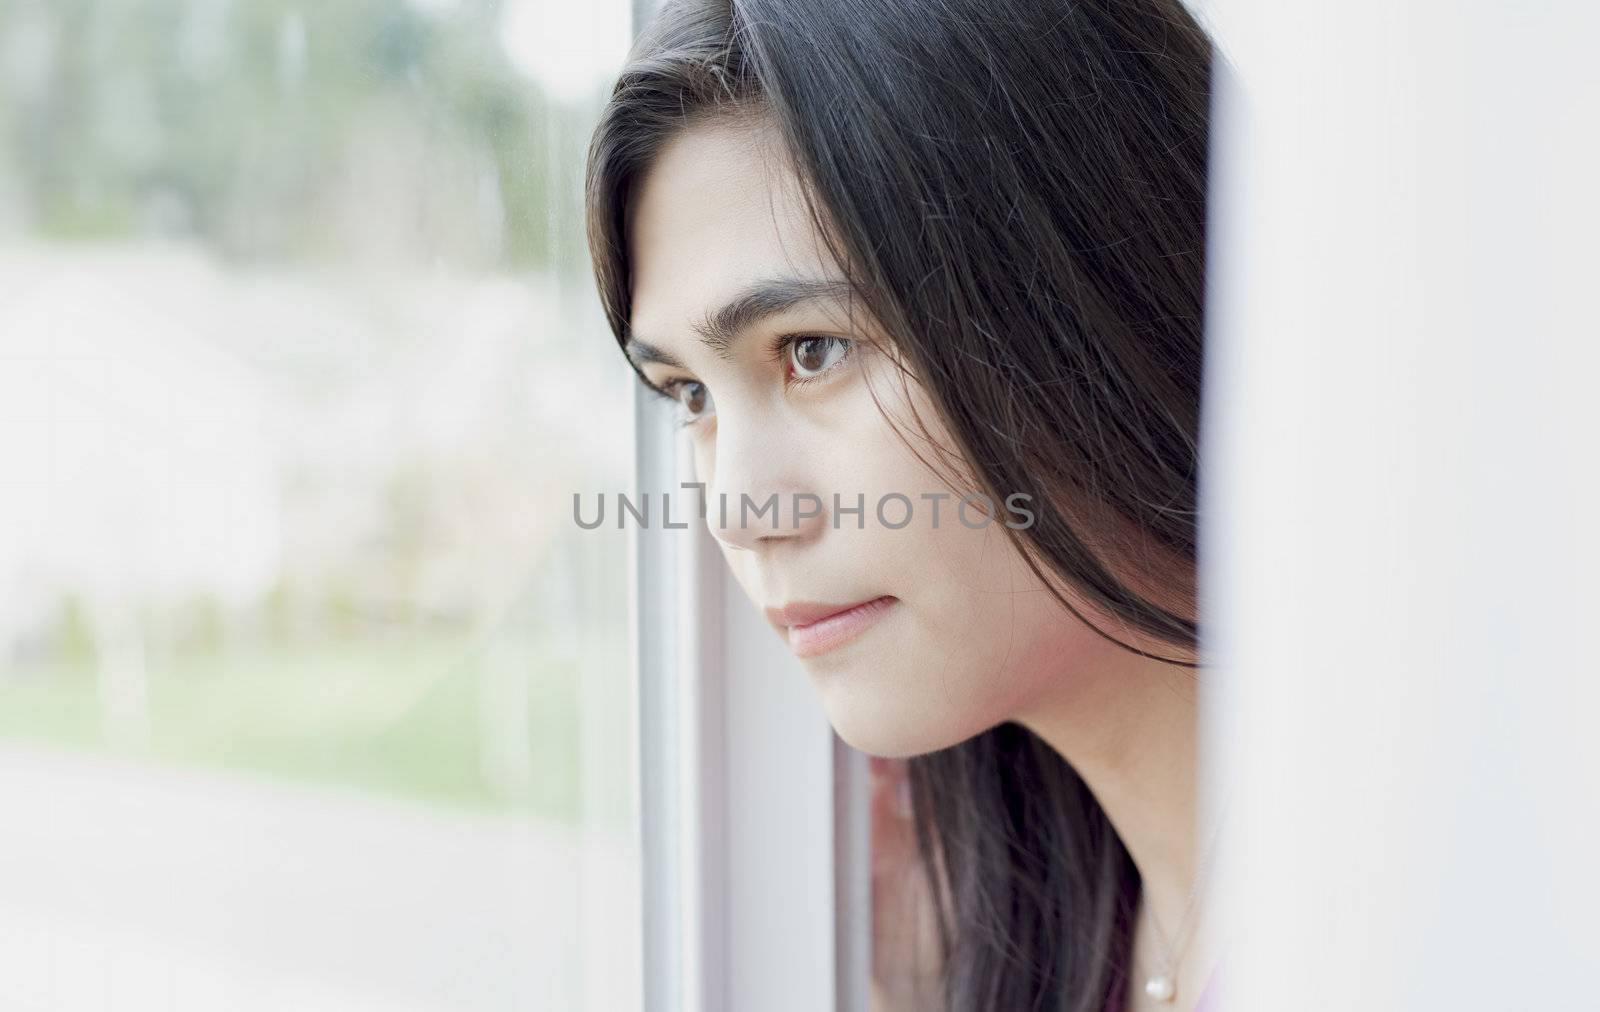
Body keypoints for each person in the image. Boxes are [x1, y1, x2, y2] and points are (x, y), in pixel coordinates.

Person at [585, 1, 1220, 1008]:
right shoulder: (1053, 926)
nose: (740, 510)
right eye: (690, 397)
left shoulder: (1431, 917)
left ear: (1092, 289)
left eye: (813, 349)